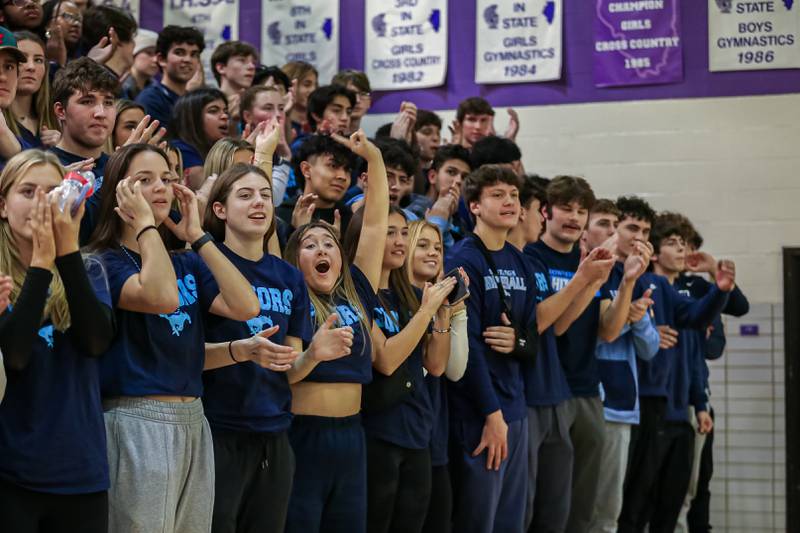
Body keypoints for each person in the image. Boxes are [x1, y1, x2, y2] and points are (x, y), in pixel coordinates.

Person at [87, 143, 259, 533]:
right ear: (120, 192)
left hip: (194, 419)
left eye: (166, 178)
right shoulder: (102, 261)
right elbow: (161, 296)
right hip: (135, 419)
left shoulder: (186, 260)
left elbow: (247, 306)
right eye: (144, 181)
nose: (161, 188)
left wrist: (197, 236)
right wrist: (147, 225)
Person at [0, 149, 115, 532]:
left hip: (81, 471)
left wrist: (65, 253)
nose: (42, 202)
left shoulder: (88, 268)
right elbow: (14, 357)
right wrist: (40, 264)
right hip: (12, 474)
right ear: (3, 205)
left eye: (52, 191)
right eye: (27, 191)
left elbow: (96, 343)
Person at [526, 176, 647, 533]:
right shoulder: (532, 257)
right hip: (548, 392)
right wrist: (587, 279)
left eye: (582, 210)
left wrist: (626, 282)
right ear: (546, 211)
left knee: (583, 503)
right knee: (547, 501)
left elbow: (609, 329)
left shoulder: (596, 261)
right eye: (566, 208)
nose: (574, 217)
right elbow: (556, 325)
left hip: (588, 390)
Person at [282, 130, 388, 533]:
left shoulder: (358, 290)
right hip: (303, 437)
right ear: (294, 259)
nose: (323, 250)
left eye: (329, 243)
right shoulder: (289, 293)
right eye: (310, 245)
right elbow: (288, 373)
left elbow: (375, 226)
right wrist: (313, 354)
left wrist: (374, 161)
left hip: (352, 437)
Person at [618, 213, 735, 533]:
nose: (681, 250)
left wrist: (719, 290)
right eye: (672, 243)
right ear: (654, 253)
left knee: (674, 499)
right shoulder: (643, 280)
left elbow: (695, 323)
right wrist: (647, 326)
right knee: (637, 499)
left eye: (684, 244)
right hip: (648, 402)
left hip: (677, 405)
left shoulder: (669, 289)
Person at [344, 204, 455, 533]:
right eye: (389, 232)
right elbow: (386, 359)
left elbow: (435, 365)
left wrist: (442, 315)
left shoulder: (406, 295)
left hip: (417, 430)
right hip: (378, 431)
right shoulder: (355, 293)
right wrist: (426, 312)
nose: (398, 240)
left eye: (404, 233)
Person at [445, 165, 535, 533]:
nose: (509, 202)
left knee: (511, 523)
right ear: (475, 206)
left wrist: (519, 341)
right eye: (498, 195)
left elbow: (533, 337)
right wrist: (491, 414)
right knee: (478, 521)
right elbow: (468, 347)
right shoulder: (463, 259)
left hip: (515, 410)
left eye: (513, 195)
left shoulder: (520, 261)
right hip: (480, 414)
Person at [587, 197, 661, 533]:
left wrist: (640, 320)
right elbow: (598, 335)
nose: (639, 237)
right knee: (578, 507)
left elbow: (650, 349)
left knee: (607, 511)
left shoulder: (641, 277)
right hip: (587, 396)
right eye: (632, 227)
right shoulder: (594, 268)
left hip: (620, 405)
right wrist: (625, 319)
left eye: (645, 231)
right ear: (614, 228)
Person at [405, 220, 469, 533]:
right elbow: (429, 366)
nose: (433, 253)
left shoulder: (442, 303)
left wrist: (457, 311)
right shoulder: (397, 301)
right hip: (401, 437)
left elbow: (453, 369)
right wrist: (430, 311)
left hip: (435, 434)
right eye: (423, 245)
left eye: (439, 248)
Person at [277, 134, 355, 234]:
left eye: (347, 170)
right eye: (333, 165)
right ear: (306, 170)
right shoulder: (280, 218)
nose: (342, 176)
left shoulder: (352, 221)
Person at [136, 25, 205, 133]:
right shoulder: (150, 99)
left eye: (194, 54)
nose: (188, 59)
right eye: (179, 53)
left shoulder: (197, 100)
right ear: (161, 59)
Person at [406, 143, 471, 249]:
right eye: (451, 172)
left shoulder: (462, 222)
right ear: (432, 176)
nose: (459, 181)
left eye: (465, 177)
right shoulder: (412, 211)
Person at [169, 87, 230, 189]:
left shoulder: (215, 148)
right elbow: (206, 188)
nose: (224, 116)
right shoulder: (179, 148)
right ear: (193, 118)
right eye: (213, 111)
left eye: (226, 111)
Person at [240, 84, 291, 205]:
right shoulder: (235, 153)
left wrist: (284, 154)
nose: (278, 114)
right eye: (268, 108)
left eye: (281, 108)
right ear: (248, 116)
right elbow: (270, 201)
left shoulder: (288, 148)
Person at [8, 31, 60, 149]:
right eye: (22, 59)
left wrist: (61, 149)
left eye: (38, 60)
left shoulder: (55, 120)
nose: (31, 67)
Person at [80, 5, 136, 80]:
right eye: (131, 38)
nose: (134, 44)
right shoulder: (105, 86)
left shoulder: (82, 79)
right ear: (115, 37)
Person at [210, 40, 257, 128]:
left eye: (253, 63)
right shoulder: (207, 106)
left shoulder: (255, 107)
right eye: (242, 60)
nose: (251, 67)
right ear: (221, 68)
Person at [281, 60, 317, 140]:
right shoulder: (277, 121)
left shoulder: (319, 121)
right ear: (289, 86)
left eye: (316, 85)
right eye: (307, 84)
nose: (313, 90)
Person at [41, 0, 83, 66]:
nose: (76, 24)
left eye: (79, 19)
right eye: (68, 16)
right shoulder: (32, 49)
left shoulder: (82, 57)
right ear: (48, 24)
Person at [121, 29, 159, 101]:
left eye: (158, 54)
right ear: (134, 54)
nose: (155, 60)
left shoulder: (156, 89)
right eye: (149, 53)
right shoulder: (122, 87)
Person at [331, 69, 371, 134]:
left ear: (369, 101)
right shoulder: (322, 141)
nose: (357, 100)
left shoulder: (370, 143)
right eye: (351, 94)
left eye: (363, 94)